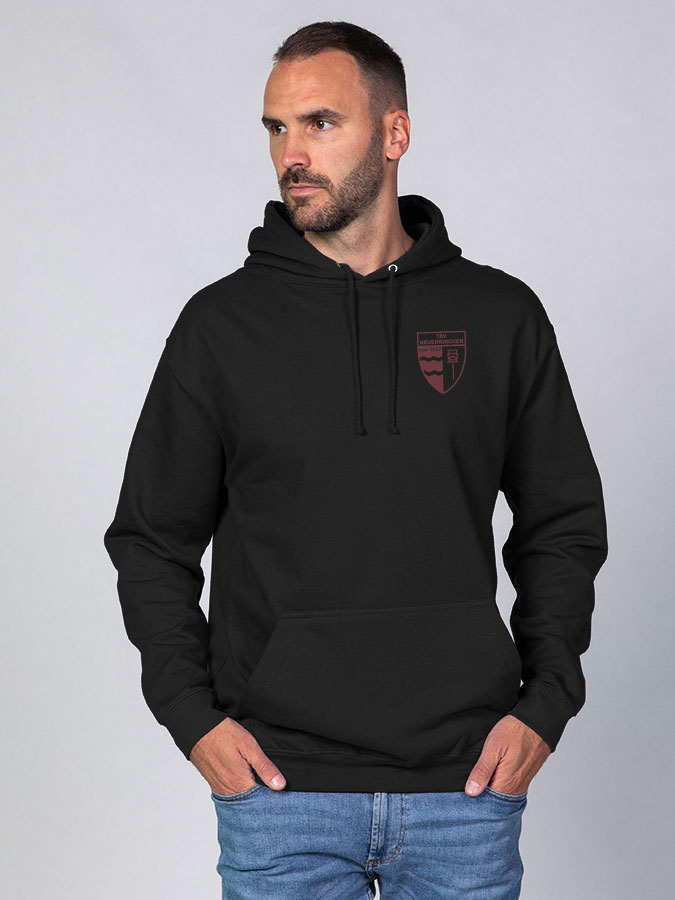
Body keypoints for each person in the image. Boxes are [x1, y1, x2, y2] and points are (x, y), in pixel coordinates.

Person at [103, 20, 609, 900]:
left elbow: (561, 524)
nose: (290, 155)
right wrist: (192, 720)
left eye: (320, 123)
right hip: (280, 792)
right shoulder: (220, 328)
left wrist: (545, 704)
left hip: (464, 788)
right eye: (276, 128)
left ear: (393, 132)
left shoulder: (499, 317)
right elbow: (151, 539)